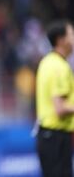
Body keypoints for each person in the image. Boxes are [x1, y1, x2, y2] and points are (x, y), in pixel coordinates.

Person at [35, 19, 74, 177]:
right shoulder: (59, 67)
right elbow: (60, 107)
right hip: (57, 137)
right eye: (71, 34)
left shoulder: (46, 62)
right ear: (61, 40)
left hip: (47, 135)